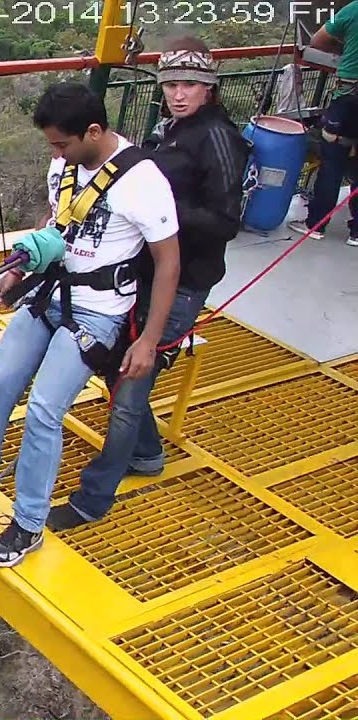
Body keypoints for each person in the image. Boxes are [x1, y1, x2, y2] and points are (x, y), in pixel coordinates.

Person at [0, 81, 181, 568]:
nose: (56, 153)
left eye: (62, 144)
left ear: (94, 132)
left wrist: (147, 340)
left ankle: (28, 522)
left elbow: (168, 263)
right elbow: (58, 219)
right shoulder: (67, 162)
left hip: (99, 310)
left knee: (44, 408)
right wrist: (19, 266)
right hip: (49, 291)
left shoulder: (143, 180)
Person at [46, 39, 252, 532]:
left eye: (191, 86)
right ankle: (146, 452)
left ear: (209, 90)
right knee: (116, 372)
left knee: (129, 390)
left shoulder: (217, 139)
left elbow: (226, 221)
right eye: (172, 85)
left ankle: (94, 497)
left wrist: (154, 215)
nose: (179, 94)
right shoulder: (171, 131)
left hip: (182, 281)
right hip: (146, 273)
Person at [289, 3, 358, 247]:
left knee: (333, 157)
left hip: (349, 94)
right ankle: (356, 231)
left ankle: (316, 224)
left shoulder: (354, 9)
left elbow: (318, 40)